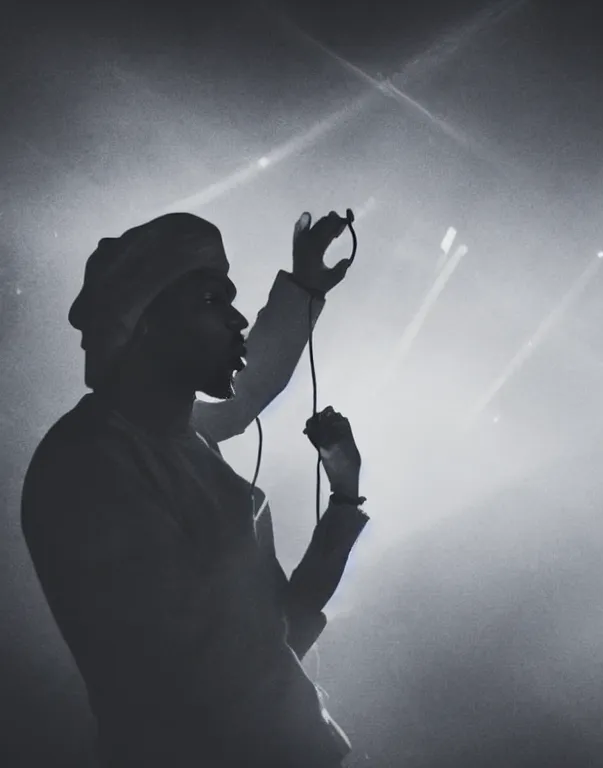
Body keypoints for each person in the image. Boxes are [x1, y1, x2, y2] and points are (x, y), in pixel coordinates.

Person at [21, 210, 368, 768]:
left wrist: (346, 496)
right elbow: (205, 683)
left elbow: (274, 635)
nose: (237, 319)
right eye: (212, 300)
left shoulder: (177, 443)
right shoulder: (90, 464)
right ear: (146, 319)